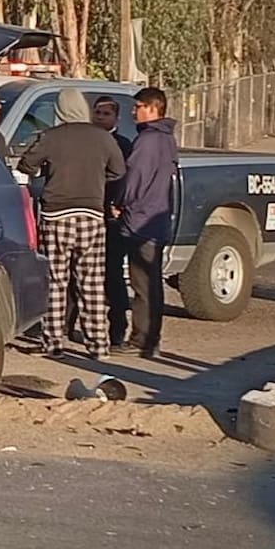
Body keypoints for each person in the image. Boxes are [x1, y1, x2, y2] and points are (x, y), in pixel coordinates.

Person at [17, 89, 126, 359]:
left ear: (60, 110)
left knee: (55, 281)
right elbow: (119, 170)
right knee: (91, 282)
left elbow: (26, 164)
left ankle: (53, 344)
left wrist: (46, 171)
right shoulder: (102, 138)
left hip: (56, 216)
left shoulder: (51, 137)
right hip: (92, 215)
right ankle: (99, 346)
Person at [112, 87, 178, 357]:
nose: (133, 111)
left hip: (141, 220)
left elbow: (135, 177)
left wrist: (120, 201)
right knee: (151, 284)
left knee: (143, 285)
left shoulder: (148, 141)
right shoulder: (167, 139)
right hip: (156, 218)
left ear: (153, 108)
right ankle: (150, 339)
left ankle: (143, 339)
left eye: (138, 106)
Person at [92, 96, 134, 346]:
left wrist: (117, 205)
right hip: (89, 212)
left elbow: (124, 178)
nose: (100, 117)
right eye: (97, 112)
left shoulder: (123, 145)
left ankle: (117, 329)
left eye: (106, 114)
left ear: (116, 118)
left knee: (113, 275)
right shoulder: (86, 142)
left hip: (111, 217)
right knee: (80, 273)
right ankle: (68, 324)